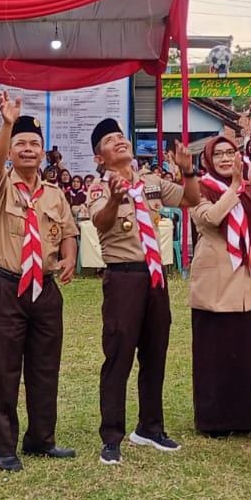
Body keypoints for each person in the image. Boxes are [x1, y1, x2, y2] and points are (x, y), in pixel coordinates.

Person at [88, 119, 199, 464]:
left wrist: (188, 171)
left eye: (121, 136)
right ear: (100, 157)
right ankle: (112, 437)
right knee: (118, 356)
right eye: (110, 140)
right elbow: (100, 222)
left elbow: (191, 199)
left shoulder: (150, 182)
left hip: (155, 275)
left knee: (155, 353)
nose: (119, 141)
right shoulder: (99, 187)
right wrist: (114, 199)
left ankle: (150, 427)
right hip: (123, 277)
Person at [0, 92, 80, 471]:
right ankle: (5, 448)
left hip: (45, 289)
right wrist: (7, 123)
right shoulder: (0, 185)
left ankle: (41, 439)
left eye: (34, 144)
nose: (27, 149)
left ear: (43, 152)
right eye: (20, 143)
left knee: (44, 368)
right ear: (10, 151)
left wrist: (69, 256)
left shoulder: (54, 193)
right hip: (7, 287)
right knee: (3, 370)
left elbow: (67, 231)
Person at [189, 136, 251, 436]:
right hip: (215, 278)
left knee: (242, 348)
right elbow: (210, 218)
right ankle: (213, 420)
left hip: (243, 280)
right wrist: (235, 186)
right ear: (208, 160)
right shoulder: (199, 187)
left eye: (230, 153)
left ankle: (242, 418)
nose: (226, 159)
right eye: (219, 154)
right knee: (214, 350)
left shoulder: (248, 187)